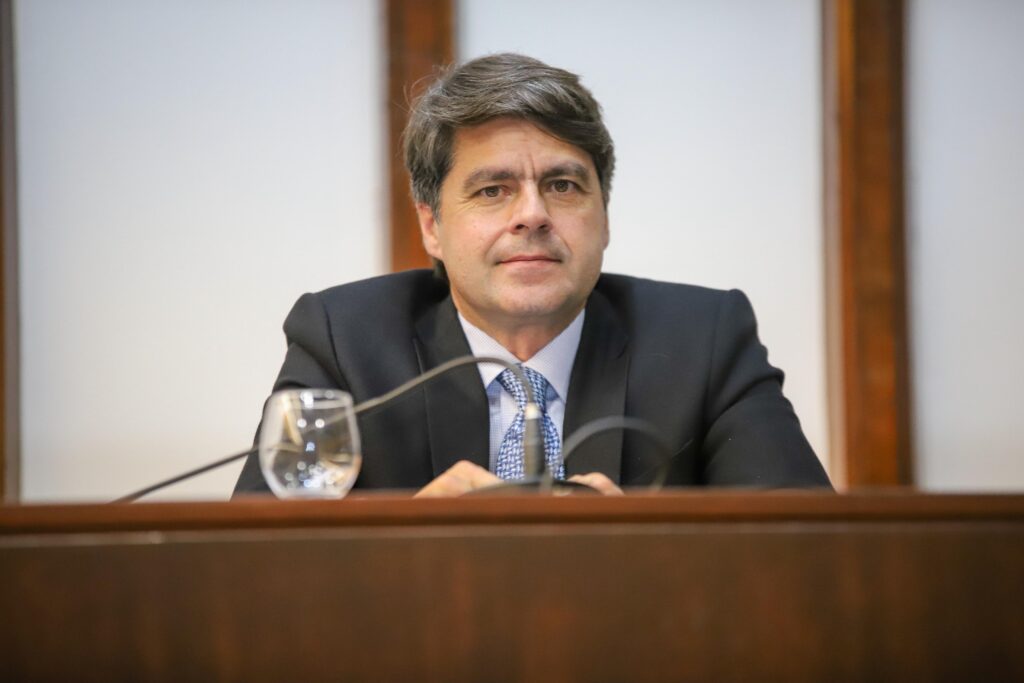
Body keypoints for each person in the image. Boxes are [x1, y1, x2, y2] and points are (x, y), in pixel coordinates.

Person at [234, 53, 831, 497]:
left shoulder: (704, 339)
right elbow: (263, 562)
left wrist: (642, 549)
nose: (533, 215)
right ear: (432, 226)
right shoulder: (345, 340)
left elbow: (802, 549)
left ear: (604, 216)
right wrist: (409, 543)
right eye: (492, 190)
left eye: (562, 185)